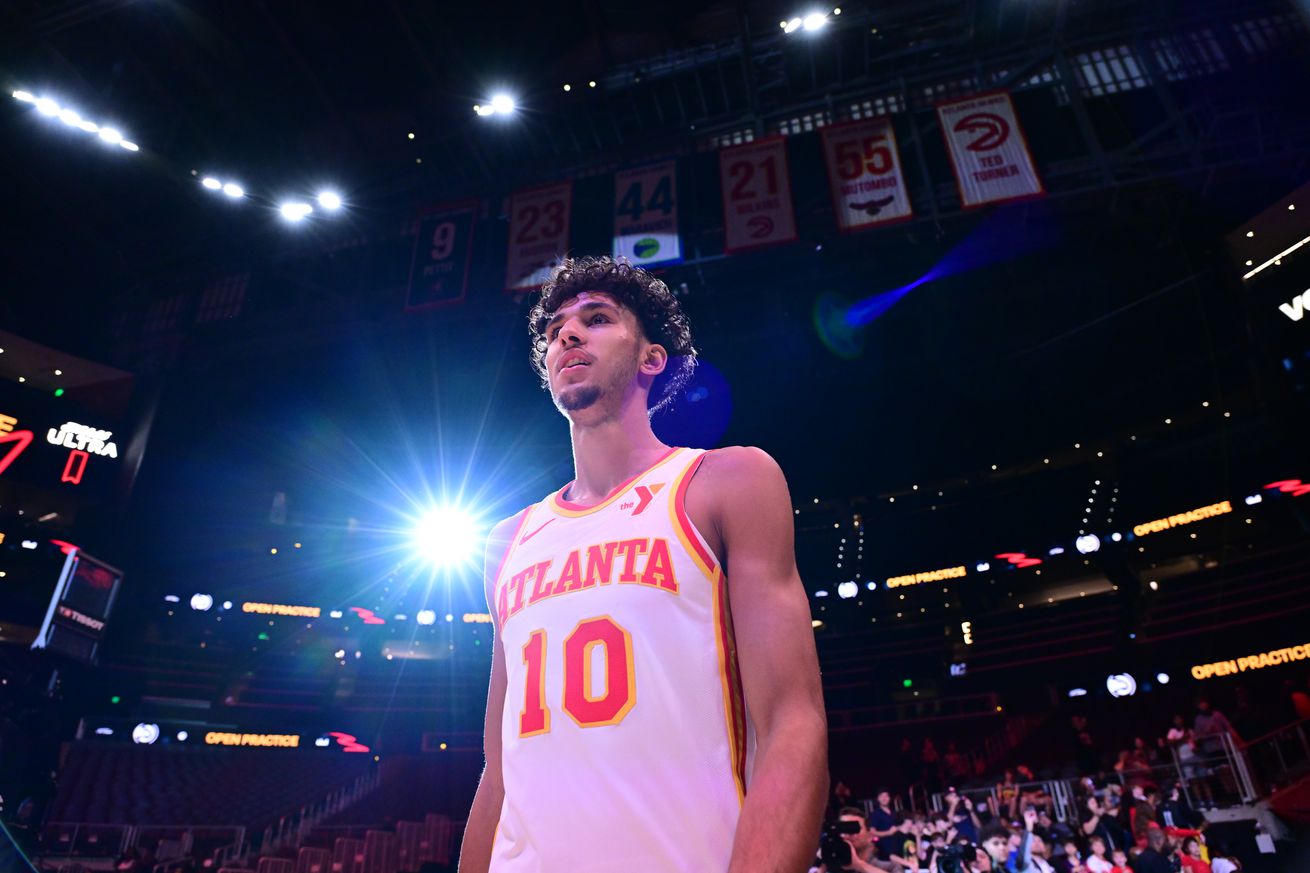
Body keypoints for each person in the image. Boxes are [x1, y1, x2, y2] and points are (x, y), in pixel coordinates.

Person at [457, 257, 828, 873]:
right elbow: (498, 770)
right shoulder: (506, 540)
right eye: (554, 331)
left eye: (596, 319)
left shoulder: (725, 482)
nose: (567, 335)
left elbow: (793, 724)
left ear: (653, 359)